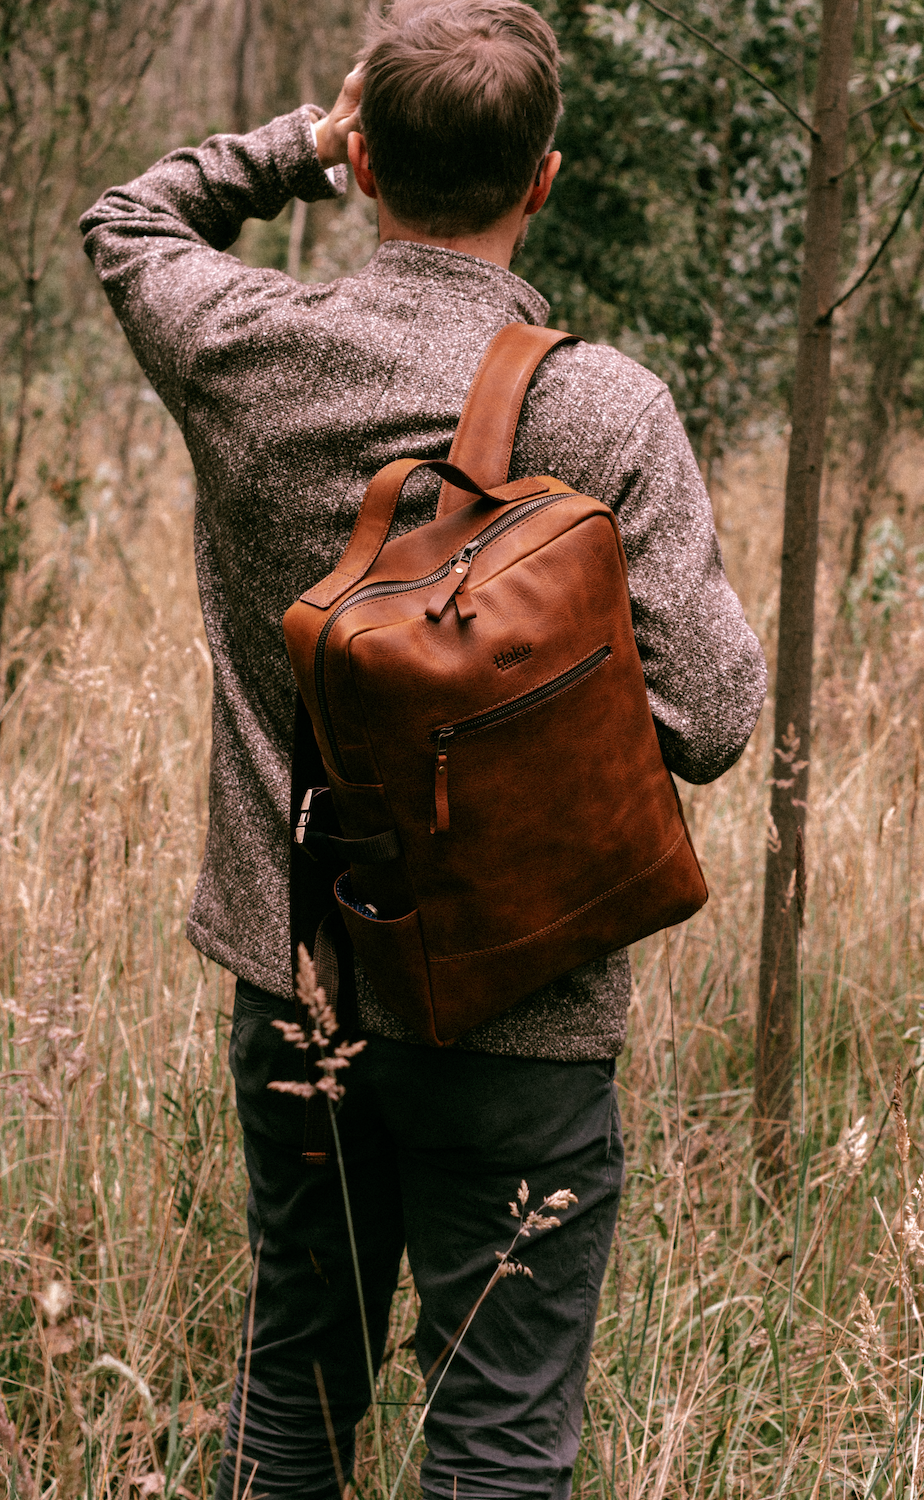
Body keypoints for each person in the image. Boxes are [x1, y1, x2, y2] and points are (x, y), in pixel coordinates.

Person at [81, 2, 766, 1494]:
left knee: (292, 1407)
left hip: (299, 981)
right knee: (499, 1440)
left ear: (370, 163)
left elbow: (127, 216)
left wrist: (296, 147)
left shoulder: (252, 345)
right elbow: (712, 718)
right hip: (523, 1012)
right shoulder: (603, 407)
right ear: (547, 178)